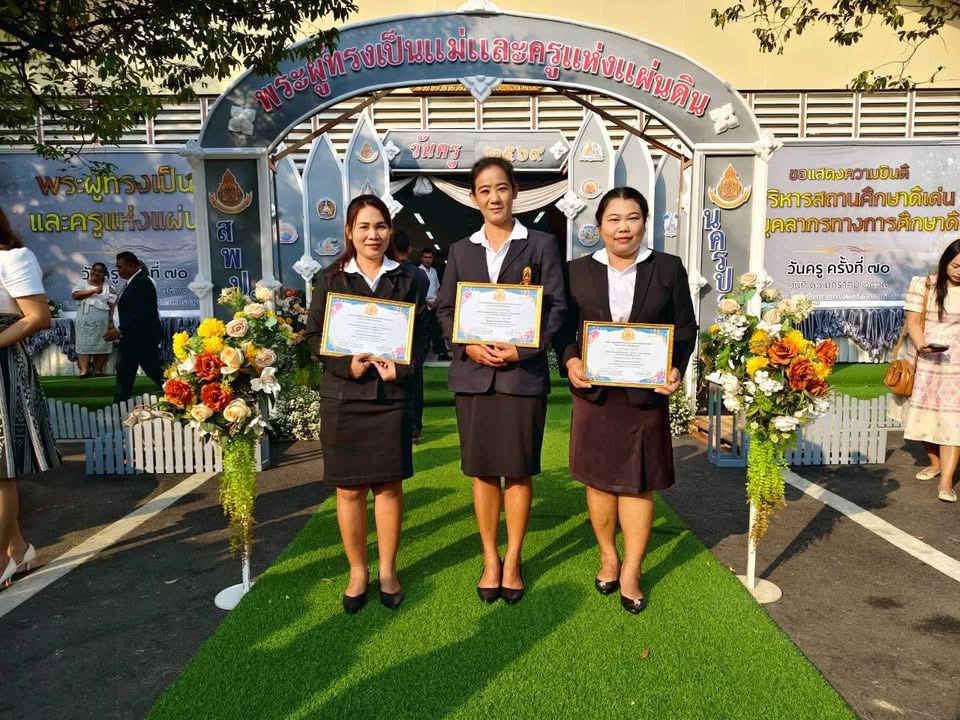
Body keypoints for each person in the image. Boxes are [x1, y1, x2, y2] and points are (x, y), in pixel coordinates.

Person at [558, 187, 697, 613]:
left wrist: (675, 368)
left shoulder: (667, 268)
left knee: (638, 483)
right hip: (595, 395)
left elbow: (684, 327)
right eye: (614, 219)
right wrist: (570, 360)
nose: (623, 227)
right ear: (599, 226)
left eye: (632, 218)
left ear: (645, 222)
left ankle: (632, 568)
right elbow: (562, 329)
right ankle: (608, 557)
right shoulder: (576, 271)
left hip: (644, 395)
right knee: (599, 481)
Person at [436, 157, 566, 604]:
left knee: (519, 469)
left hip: (521, 377)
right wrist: (467, 345)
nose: (494, 198)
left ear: (515, 192)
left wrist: (524, 349)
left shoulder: (541, 244)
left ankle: (513, 560)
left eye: (502, 188)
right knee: (484, 471)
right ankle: (490, 557)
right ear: (474, 198)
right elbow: (446, 309)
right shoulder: (461, 250)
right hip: (474, 377)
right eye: (485, 190)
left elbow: (557, 307)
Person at [305, 195, 426, 613]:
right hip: (344, 397)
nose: (373, 235)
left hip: (391, 398)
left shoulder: (409, 278)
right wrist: (346, 365)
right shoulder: (331, 279)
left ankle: (388, 570)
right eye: (364, 227)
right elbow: (313, 337)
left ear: (389, 231)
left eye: (380, 226)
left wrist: (402, 369)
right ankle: (358, 571)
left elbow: (421, 337)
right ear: (349, 232)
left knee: (389, 487)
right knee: (349, 489)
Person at [0, 209, 61, 589]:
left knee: (1, 471)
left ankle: (1, 561)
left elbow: (38, 317)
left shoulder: (13, 258)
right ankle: (18, 550)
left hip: (3, 369)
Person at [900, 238, 960, 503]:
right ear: (945, 261)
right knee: (922, 416)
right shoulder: (923, 285)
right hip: (925, 360)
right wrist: (922, 345)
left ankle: (946, 482)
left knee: (953, 422)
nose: (959, 272)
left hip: (956, 366)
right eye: (956, 266)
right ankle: (935, 463)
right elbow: (913, 322)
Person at [104, 251, 163, 403]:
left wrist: (120, 330)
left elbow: (143, 313)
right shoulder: (132, 282)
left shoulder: (142, 282)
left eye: (120, 267)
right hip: (131, 338)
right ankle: (119, 407)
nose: (117, 271)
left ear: (130, 265)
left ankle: (182, 395)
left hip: (141, 338)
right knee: (124, 374)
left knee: (155, 372)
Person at [394, 232, 430, 443]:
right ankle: (416, 426)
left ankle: (401, 426)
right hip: (416, 331)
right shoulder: (420, 275)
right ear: (409, 249)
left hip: (392, 334)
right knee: (416, 380)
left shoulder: (389, 272)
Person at [71, 262, 117, 377]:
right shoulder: (82, 283)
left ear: (104, 274)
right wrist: (93, 291)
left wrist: (111, 321)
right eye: (94, 270)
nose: (96, 273)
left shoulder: (109, 288)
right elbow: (75, 295)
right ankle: (84, 371)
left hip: (102, 322)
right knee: (83, 344)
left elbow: (112, 306)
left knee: (102, 344)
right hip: (84, 320)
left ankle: (98, 370)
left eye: (99, 271)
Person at [420, 248, 450, 361]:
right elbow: (419, 291)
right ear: (421, 258)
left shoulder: (434, 271)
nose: (428, 260)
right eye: (425, 257)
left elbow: (437, 288)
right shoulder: (419, 271)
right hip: (424, 305)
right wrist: (428, 302)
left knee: (438, 330)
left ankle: (442, 353)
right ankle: (425, 356)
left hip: (435, 305)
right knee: (425, 331)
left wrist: (437, 301)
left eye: (430, 257)